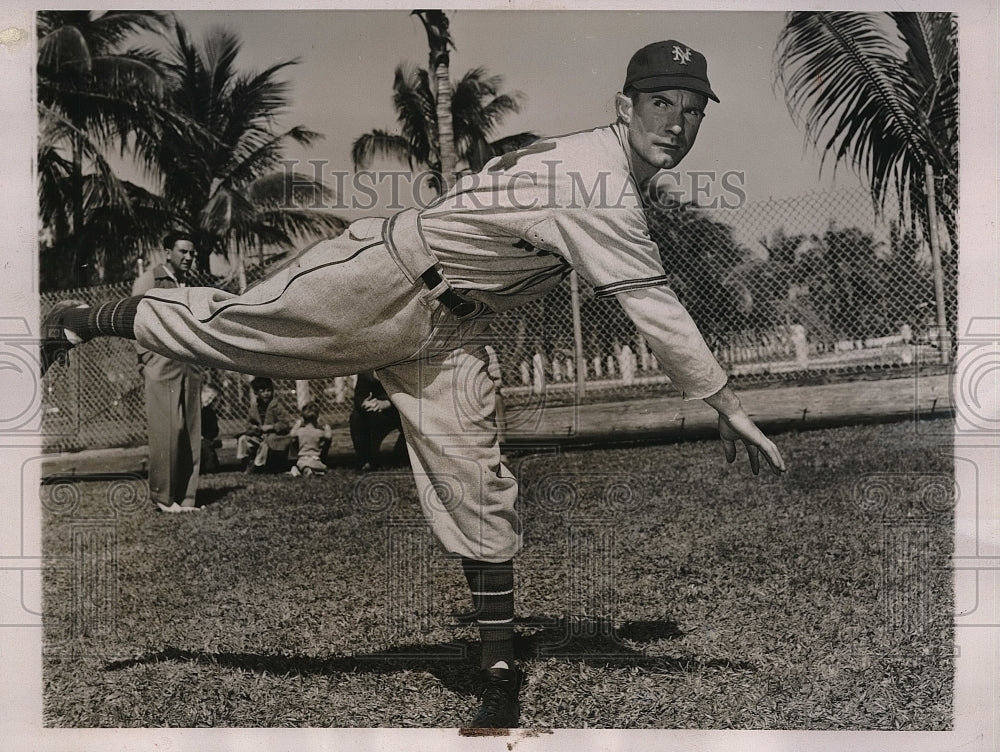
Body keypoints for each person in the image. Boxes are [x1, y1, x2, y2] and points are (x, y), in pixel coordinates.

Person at [42, 40, 786, 728]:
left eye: (691, 111)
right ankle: (81, 318)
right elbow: (654, 307)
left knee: (476, 477)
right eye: (662, 104)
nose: (678, 123)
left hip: (452, 330)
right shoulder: (598, 182)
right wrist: (725, 402)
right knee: (235, 329)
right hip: (387, 277)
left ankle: (496, 666)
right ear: (624, 107)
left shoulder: (606, 172)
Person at [131, 232, 203, 513]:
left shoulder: (189, 283)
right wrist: (147, 357)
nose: (188, 257)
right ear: (167, 253)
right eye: (183, 252)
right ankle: (163, 498)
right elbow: (133, 318)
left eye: (192, 253)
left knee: (191, 431)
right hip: (161, 362)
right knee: (167, 429)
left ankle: (186, 498)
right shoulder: (150, 280)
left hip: (190, 362)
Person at [235, 376, 296, 473]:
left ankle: (258, 465)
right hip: (259, 435)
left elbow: (286, 423)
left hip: (274, 436)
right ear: (256, 393)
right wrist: (253, 428)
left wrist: (272, 427)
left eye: (269, 390)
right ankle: (247, 461)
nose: (266, 394)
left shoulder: (276, 406)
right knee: (243, 439)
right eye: (262, 391)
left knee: (266, 442)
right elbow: (249, 424)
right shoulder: (253, 408)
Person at [349, 370, 407, 472]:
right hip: (380, 413)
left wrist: (387, 402)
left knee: (401, 455)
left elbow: (408, 393)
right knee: (356, 417)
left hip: (401, 412)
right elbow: (359, 394)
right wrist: (365, 403)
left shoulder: (400, 364)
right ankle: (365, 460)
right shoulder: (367, 370)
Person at [289, 400, 333, 476]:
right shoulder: (319, 432)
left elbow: (292, 434)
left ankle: (301, 470)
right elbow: (328, 437)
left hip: (302, 459)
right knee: (322, 468)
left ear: (303, 418)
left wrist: (298, 423)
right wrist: (326, 426)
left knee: (299, 466)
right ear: (317, 418)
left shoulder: (300, 431)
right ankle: (313, 471)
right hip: (315, 459)